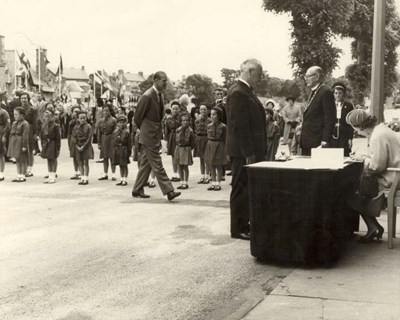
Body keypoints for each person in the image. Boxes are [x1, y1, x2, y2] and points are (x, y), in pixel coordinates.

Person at [226, 58, 267, 240]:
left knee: (245, 187)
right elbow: (239, 126)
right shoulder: (238, 92)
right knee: (240, 188)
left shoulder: (245, 91)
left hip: (247, 151)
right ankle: (238, 227)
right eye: (258, 74)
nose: (259, 78)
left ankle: (244, 223)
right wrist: (249, 152)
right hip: (243, 152)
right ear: (249, 72)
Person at [346, 109, 400, 242]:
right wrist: (365, 157)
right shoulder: (382, 130)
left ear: (361, 127)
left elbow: (377, 166)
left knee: (354, 192)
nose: (358, 133)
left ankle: (373, 228)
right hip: (395, 174)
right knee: (360, 188)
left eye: (356, 130)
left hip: (391, 178)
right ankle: (374, 227)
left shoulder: (377, 136)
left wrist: (363, 160)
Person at [131, 71, 181, 201]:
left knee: (146, 164)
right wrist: (145, 130)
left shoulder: (160, 96)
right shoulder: (147, 96)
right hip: (148, 136)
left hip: (153, 135)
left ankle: (137, 189)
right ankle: (169, 191)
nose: (166, 83)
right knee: (157, 164)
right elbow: (137, 117)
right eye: (164, 80)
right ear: (156, 80)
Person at [300, 66, 336, 156]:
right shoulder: (314, 91)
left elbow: (330, 118)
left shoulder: (325, 91)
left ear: (316, 77)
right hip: (308, 140)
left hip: (317, 142)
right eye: (305, 76)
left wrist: (325, 139)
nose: (306, 79)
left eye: (308, 76)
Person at [205, 107, 227, 191]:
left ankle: (218, 183)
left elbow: (225, 139)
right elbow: (208, 136)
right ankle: (213, 183)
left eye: (214, 114)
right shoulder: (209, 126)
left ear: (219, 116)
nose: (212, 116)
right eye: (211, 114)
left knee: (218, 165)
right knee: (211, 165)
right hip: (210, 145)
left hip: (219, 146)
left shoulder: (223, 127)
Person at [329, 82, 354, 156]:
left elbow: (351, 123)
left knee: (344, 156)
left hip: (344, 137)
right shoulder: (330, 105)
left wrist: (350, 138)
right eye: (336, 93)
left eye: (340, 93)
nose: (338, 95)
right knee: (333, 156)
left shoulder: (348, 106)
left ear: (343, 94)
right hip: (332, 137)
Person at [7, 107, 29, 182]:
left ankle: (23, 175)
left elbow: (25, 135)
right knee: (17, 159)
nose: (15, 116)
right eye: (14, 114)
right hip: (14, 142)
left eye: (17, 114)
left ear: (22, 115)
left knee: (22, 159)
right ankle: (18, 174)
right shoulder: (14, 123)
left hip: (20, 142)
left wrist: (24, 146)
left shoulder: (25, 124)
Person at [39, 109, 61, 184]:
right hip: (46, 144)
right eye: (45, 117)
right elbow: (42, 136)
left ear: (52, 117)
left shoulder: (55, 126)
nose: (47, 118)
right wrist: (42, 145)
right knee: (48, 159)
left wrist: (58, 148)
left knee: (53, 159)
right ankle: (49, 175)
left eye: (49, 116)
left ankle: (53, 176)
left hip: (53, 143)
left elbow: (58, 138)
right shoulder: (43, 126)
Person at [175, 113, 195, 189]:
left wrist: (189, 148)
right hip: (179, 148)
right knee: (179, 166)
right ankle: (181, 182)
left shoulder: (190, 131)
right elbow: (176, 140)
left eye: (187, 120)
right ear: (181, 121)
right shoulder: (178, 130)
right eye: (183, 120)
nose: (185, 122)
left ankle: (185, 183)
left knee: (185, 167)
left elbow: (193, 142)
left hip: (186, 149)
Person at [73, 111, 94, 185]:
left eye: (84, 118)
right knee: (80, 162)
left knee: (86, 162)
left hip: (86, 146)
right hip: (78, 146)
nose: (82, 120)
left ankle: (86, 178)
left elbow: (89, 138)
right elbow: (74, 137)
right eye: (81, 118)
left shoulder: (88, 127)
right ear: (78, 119)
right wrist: (77, 145)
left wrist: (83, 146)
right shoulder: (76, 127)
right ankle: (82, 177)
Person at [20, 92, 38, 176]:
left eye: (25, 98)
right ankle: (24, 168)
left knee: (30, 150)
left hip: (30, 130)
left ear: (28, 99)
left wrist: (35, 133)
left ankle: (29, 168)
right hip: (21, 131)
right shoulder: (18, 109)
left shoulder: (32, 109)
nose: (23, 100)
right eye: (22, 98)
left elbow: (35, 122)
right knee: (22, 150)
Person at [97, 105, 117, 181]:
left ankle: (113, 174)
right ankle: (105, 173)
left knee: (112, 157)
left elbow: (116, 131)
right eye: (104, 111)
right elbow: (99, 132)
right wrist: (99, 142)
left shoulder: (114, 120)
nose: (105, 112)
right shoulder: (100, 121)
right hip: (103, 138)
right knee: (105, 157)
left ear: (110, 111)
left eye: (107, 110)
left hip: (111, 138)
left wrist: (115, 141)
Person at [193, 104, 212, 184]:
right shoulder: (196, 120)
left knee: (207, 158)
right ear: (199, 111)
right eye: (201, 109)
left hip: (206, 139)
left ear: (207, 111)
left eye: (204, 109)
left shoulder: (210, 121)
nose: (203, 111)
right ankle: (202, 175)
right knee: (201, 159)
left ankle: (208, 176)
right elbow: (195, 130)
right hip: (199, 139)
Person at [112, 115, 132, 186]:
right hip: (118, 149)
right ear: (117, 123)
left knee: (124, 165)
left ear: (126, 123)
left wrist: (129, 152)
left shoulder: (127, 132)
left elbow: (129, 143)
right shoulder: (115, 132)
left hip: (124, 149)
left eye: (123, 122)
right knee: (120, 165)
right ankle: (121, 178)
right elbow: (114, 141)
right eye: (120, 122)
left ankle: (125, 180)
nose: (121, 124)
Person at [165, 101, 181, 181]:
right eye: (173, 109)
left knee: (178, 156)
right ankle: (175, 174)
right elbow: (166, 131)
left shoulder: (182, 118)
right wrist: (167, 141)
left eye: (176, 109)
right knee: (173, 156)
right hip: (171, 137)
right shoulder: (168, 119)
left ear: (179, 109)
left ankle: (179, 174)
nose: (175, 110)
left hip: (179, 137)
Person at [68, 106, 81, 180]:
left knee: (79, 157)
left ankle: (80, 172)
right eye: (74, 111)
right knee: (74, 157)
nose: (76, 113)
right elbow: (69, 133)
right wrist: (69, 142)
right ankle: (76, 172)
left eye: (77, 111)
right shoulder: (71, 122)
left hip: (79, 140)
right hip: (72, 140)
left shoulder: (81, 120)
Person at [0, 97, 10, 181]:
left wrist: (4, 136)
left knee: (1, 154)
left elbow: (7, 125)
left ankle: (1, 173)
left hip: (1, 134)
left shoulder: (3, 112)